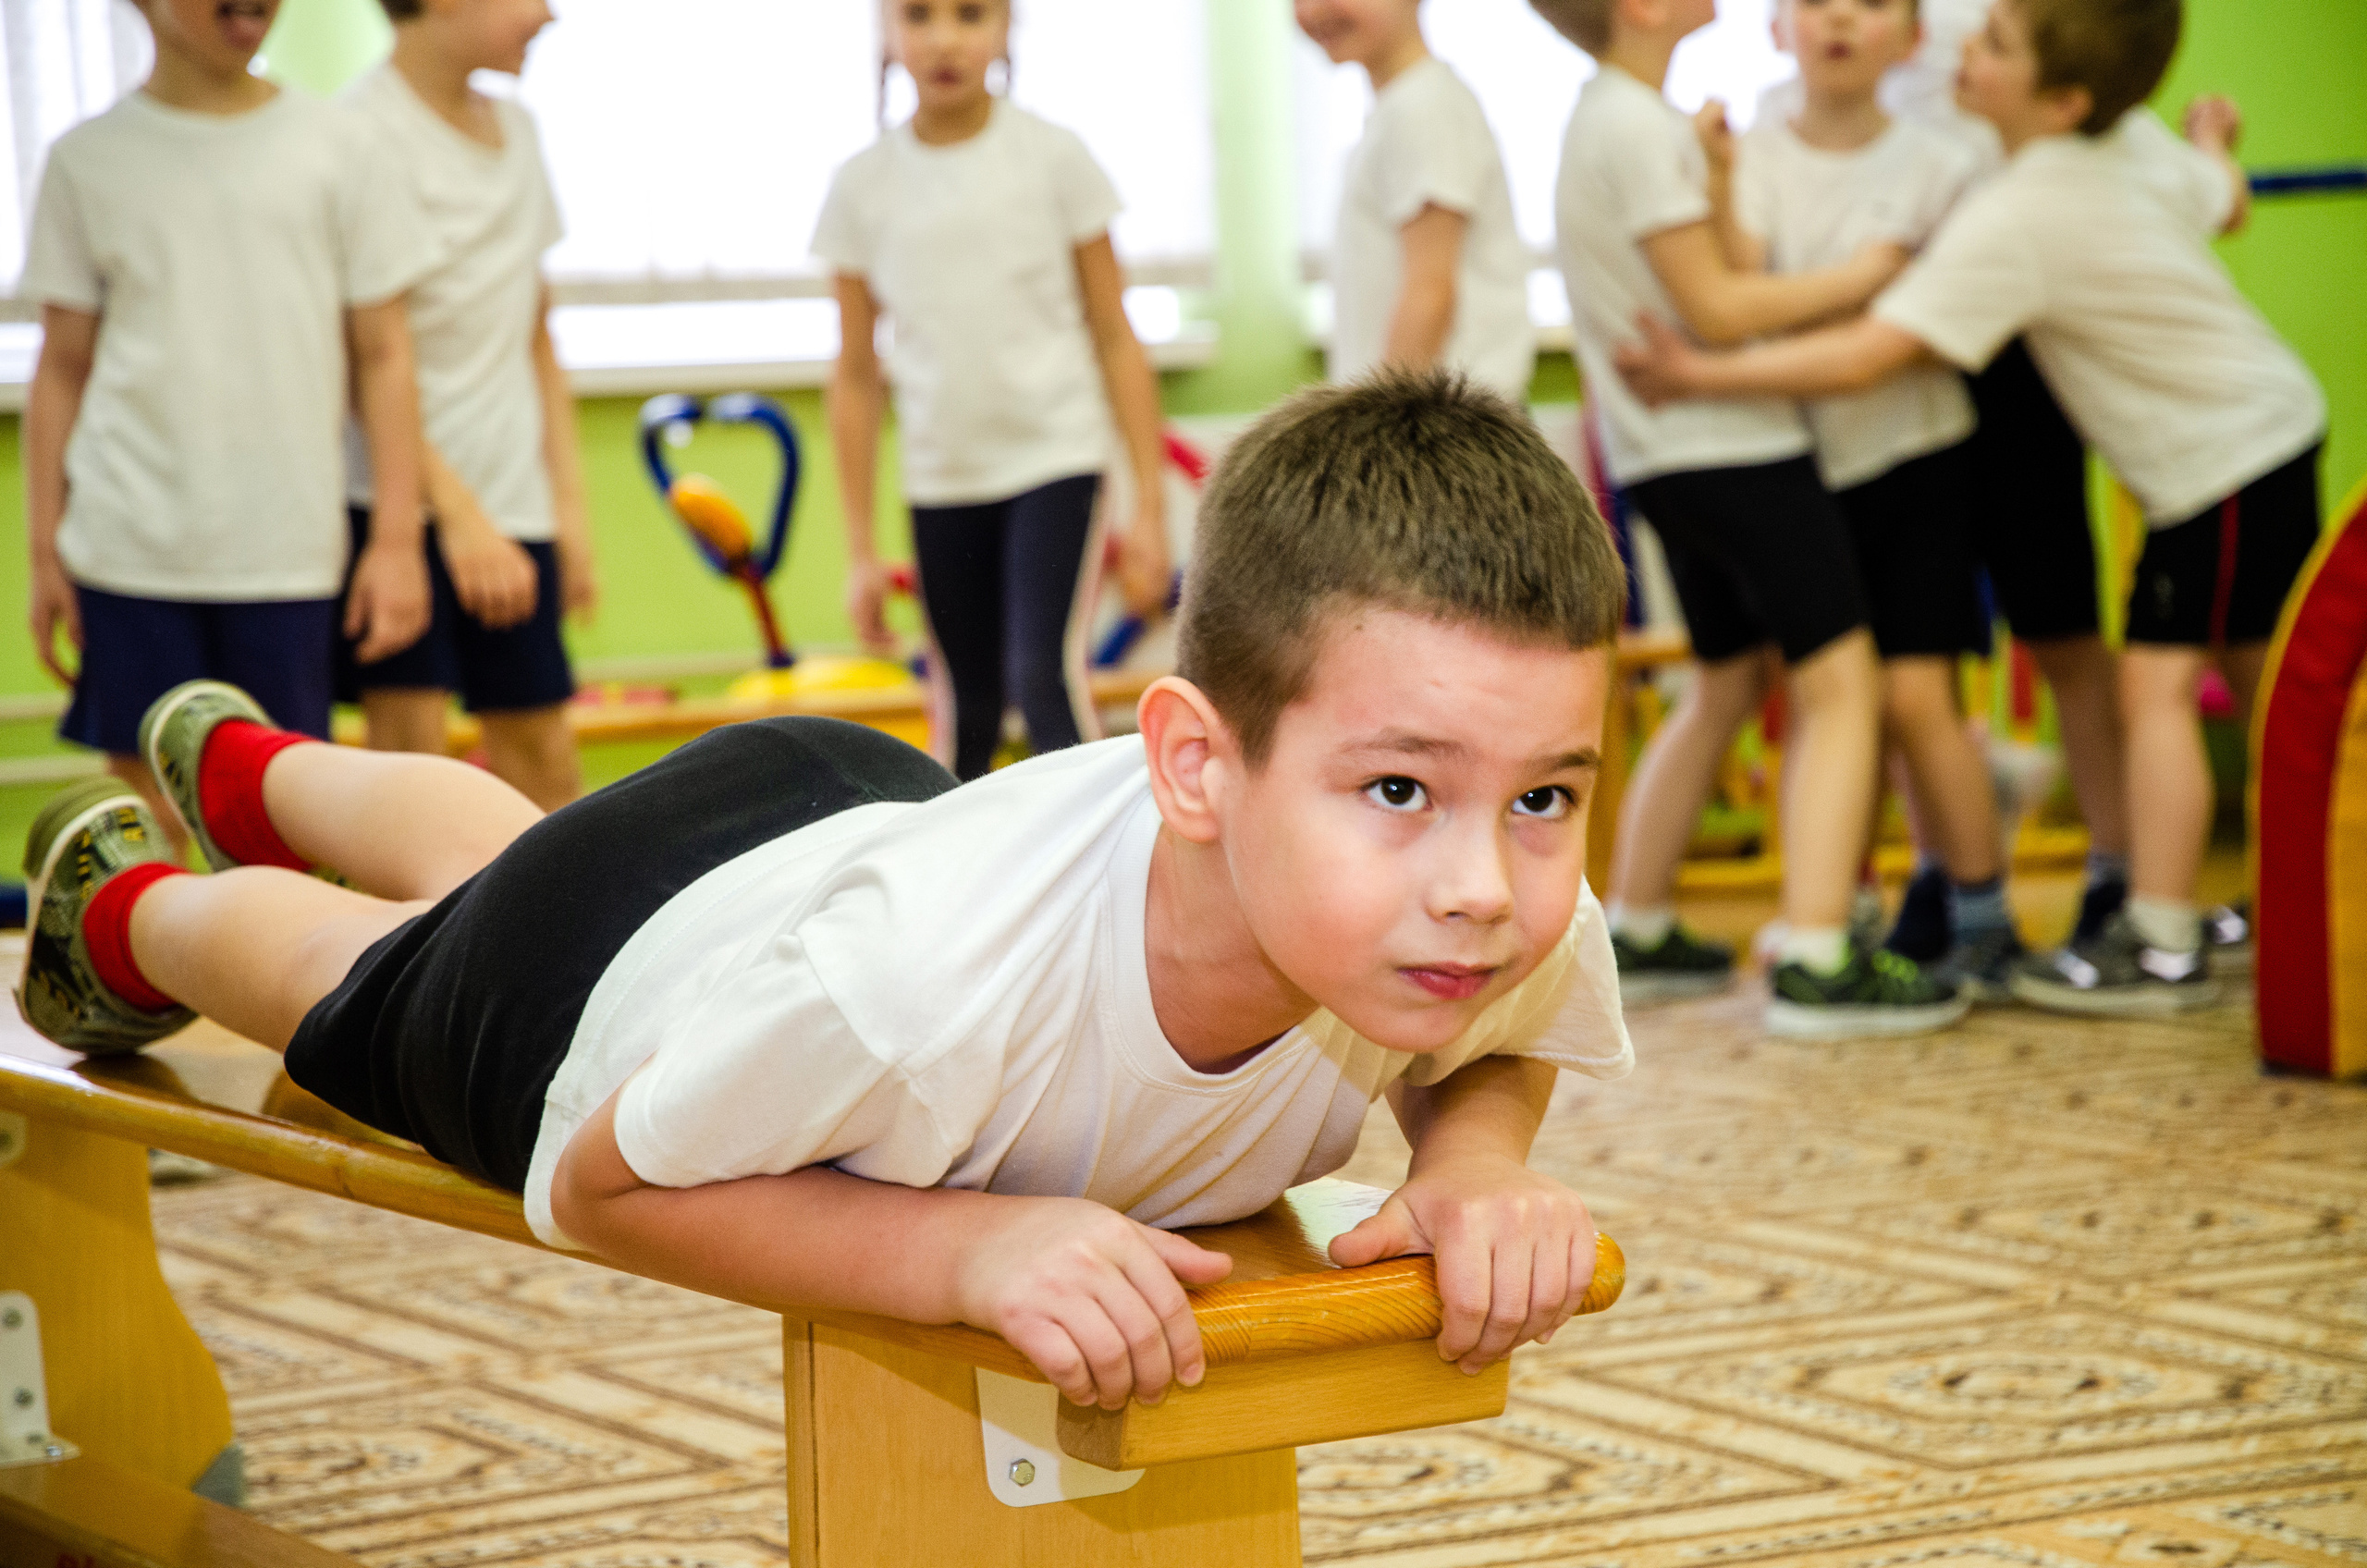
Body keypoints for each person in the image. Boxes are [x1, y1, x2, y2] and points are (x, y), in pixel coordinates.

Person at [18, 372, 1633, 1414]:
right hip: (604, 977)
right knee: (364, 970)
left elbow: (1517, 1025)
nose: (1484, 890)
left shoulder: (1475, 906)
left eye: (1547, 794)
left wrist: (1476, 1159)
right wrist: (965, 1257)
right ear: (1197, 766)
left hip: (846, 809)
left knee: (506, 848)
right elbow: (603, 1186)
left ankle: (254, 769)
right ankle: (122, 906)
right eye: (1400, 791)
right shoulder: (920, 991)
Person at [1613, 0, 2326, 1014]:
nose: (1962, 54)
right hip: (2253, 438)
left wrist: (1696, 376)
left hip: (2218, 461)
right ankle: (2279, 901)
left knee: (2157, 690)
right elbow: (2216, 189)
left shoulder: (2014, 205)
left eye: (1988, 46)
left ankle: (2158, 934)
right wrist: (2211, 143)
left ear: (2059, 96)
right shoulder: (2071, 156)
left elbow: (1874, 350)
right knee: (2267, 685)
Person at [1529, 0, 1966, 1036]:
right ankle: (1816, 952)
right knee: (1842, 680)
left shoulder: (1625, 117)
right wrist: (1866, 278)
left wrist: (1720, 185)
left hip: (1668, 457)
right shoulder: (1634, 125)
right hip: (1735, 448)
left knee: (1723, 681)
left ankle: (1635, 922)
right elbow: (1718, 310)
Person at [1864, 0, 2252, 965]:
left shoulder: (2043, 40)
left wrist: (2209, 146)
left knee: (2063, 637)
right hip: (1898, 384)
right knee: (1916, 659)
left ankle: (2117, 871)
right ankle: (1947, 875)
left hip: (2022, 376)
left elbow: (2220, 200)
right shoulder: (1863, 51)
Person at [19, 0, 432, 856]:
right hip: (128, 543)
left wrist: (395, 539)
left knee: (281, 809)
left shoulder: (340, 148)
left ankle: (268, 992)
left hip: (286, 549)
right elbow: (62, 365)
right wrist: (43, 549)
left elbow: (385, 355)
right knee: (144, 804)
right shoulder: (87, 160)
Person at [1714, 0, 2025, 996]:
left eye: (1872, 2)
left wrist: (1843, 298)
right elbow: (1740, 288)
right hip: (1801, 462)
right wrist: (1726, 191)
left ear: (1910, 37)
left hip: (1921, 457)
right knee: (1827, 698)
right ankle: (1832, 907)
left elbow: (1906, 326)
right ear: (1775, 28)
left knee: (1914, 696)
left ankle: (1981, 911)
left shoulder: (1948, 159)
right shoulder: (1754, 146)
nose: (1840, 17)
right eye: (1814, 1)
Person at [820, 0, 1171, 781]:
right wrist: (859, 553)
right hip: (943, 477)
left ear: (1007, 27)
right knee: (967, 704)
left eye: (970, 14)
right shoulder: (862, 187)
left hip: (1055, 458)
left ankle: (1104, 874)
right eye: (919, 16)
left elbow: (1116, 336)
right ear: (887, 32)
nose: (945, 38)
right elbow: (853, 375)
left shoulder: (1054, 160)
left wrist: (1149, 506)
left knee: (1040, 679)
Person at [337, 0, 598, 813]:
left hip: (513, 510)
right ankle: (425, 946)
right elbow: (363, 357)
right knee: (412, 771)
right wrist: (453, 518)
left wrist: (566, 510)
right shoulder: (358, 135)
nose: (550, 16)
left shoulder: (519, 132)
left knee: (545, 759)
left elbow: (537, 338)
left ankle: (564, 942)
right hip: (403, 510)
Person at [1298, 0, 1538, 403]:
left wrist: (1376, 436)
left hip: (1443, 433)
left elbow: (1430, 290)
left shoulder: (1424, 108)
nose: (1313, 9)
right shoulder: (1403, 108)